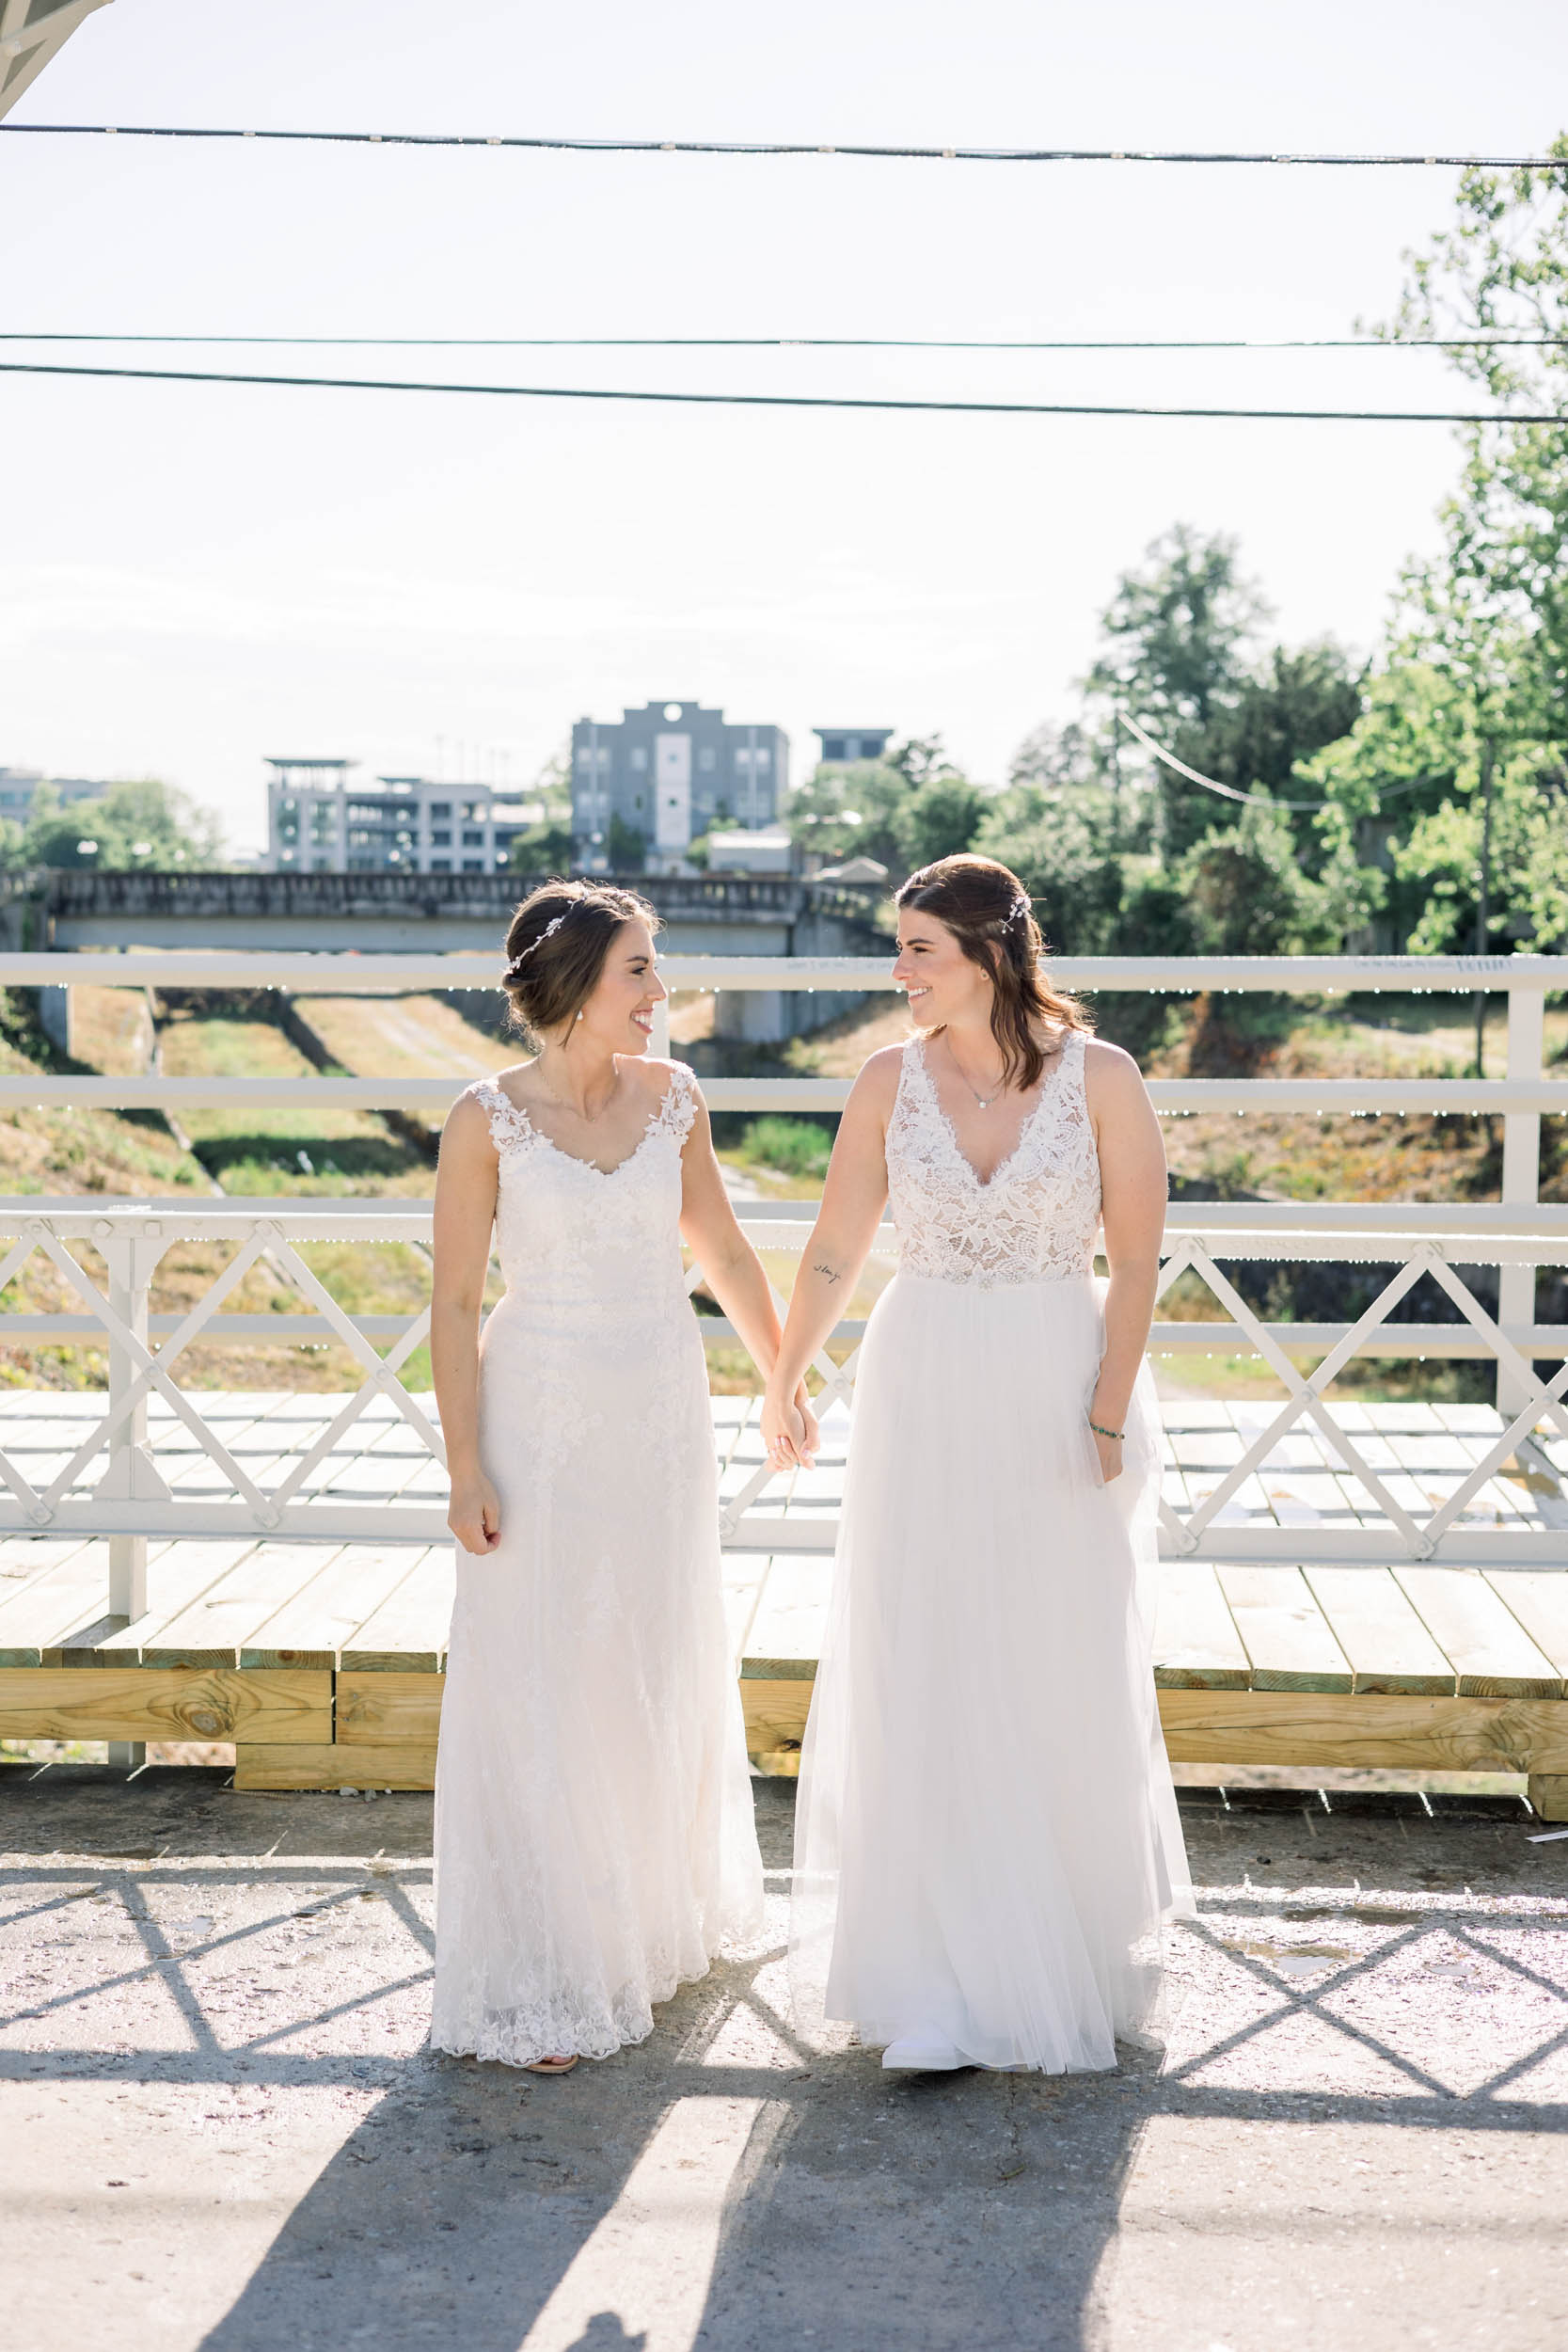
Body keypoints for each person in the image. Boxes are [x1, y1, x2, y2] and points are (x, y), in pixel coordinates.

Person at [763, 853, 1192, 2074]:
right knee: (929, 1649)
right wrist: (785, 1375)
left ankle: (1061, 1950)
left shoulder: (1101, 1079)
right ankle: (933, 1982)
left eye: (918, 951)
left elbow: (1134, 1260)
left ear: (990, 954)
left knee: (1050, 1649)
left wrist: (1106, 1411)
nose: (896, 973)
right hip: (924, 1380)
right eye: (895, 949)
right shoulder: (883, 1081)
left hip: (1056, 1378)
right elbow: (838, 1250)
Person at [430, 880, 816, 2074]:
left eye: (656, 968)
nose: (660, 993)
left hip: (657, 1409)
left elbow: (725, 1248)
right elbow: (448, 1305)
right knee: (546, 1666)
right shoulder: (481, 1119)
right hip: (536, 1416)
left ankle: (647, 1923)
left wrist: (780, 1377)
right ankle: (549, 1965)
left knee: (648, 1650)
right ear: (571, 986)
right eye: (638, 971)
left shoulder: (677, 1100)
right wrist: (461, 1469)